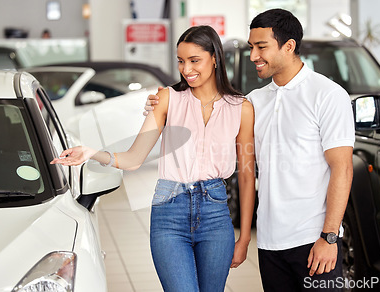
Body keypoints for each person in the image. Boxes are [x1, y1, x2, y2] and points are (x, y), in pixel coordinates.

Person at [145, 9, 354, 292]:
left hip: (313, 240)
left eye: (261, 47)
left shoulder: (327, 95)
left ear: (289, 46)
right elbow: (228, 154)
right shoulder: (255, 101)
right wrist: (160, 107)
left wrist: (329, 237)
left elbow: (342, 168)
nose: (253, 55)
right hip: (269, 243)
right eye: (251, 46)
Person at [51, 25, 256, 292]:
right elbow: (134, 158)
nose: (187, 69)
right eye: (181, 61)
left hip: (216, 214)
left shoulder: (241, 108)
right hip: (170, 212)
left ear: (215, 57)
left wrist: (244, 239)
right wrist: (91, 152)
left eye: (195, 60)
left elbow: (247, 174)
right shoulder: (167, 99)